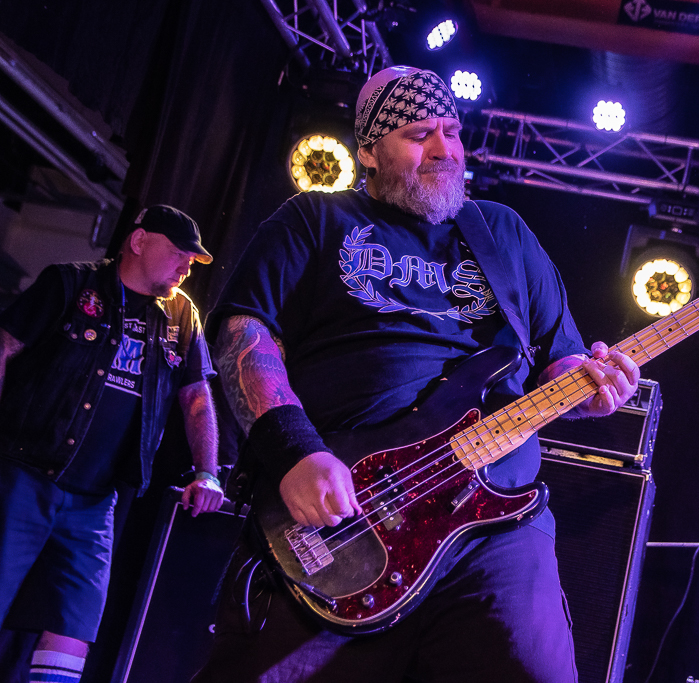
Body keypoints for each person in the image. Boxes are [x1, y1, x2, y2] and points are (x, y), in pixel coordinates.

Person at [192, 66, 640, 683]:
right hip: (349, 507)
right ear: (368, 152)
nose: (444, 149)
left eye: (452, 131)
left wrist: (591, 386)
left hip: (494, 523)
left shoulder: (501, 232)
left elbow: (557, 358)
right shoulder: (314, 220)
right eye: (419, 134)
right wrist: (293, 452)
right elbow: (243, 334)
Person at [0, 204, 224, 683]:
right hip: (24, 475)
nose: (187, 267)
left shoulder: (181, 316)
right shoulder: (70, 283)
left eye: (192, 260)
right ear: (139, 241)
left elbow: (196, 397)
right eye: (179, 253)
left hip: (97, 500)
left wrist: (208, 471)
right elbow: (3, 346)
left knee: (75, 622)